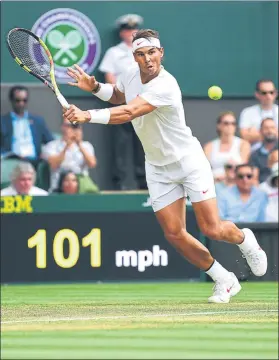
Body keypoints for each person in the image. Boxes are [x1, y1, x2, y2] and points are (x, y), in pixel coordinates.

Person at [64, 29, 267, 303]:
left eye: (152, 52)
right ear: (134, 57)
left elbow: (129, 111)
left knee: (212, 228)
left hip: (188, 161)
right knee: (174, 233)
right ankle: (224, 279)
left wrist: (87, 114)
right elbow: (119, 96)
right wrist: (96, 88)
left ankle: (245, 240)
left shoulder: (166, 85)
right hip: (157, 166)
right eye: (140, 54)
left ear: (161, 53)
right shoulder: (130, 74)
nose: (147, 59)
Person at [98, 14, 146, 190]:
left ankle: (144, 182)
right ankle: (119, 183)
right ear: (121, 33)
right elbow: (109, 75)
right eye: (127, 30)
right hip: (121, 102)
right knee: (120, 144)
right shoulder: (114, 53)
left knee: (142, 142)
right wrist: (121, 96)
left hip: (141, 103)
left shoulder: (144, 52)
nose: (131, 33)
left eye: (134, 30)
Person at [0, 86, 53, 166]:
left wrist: (45, 153)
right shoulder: (3, 121)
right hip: (12, 162)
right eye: (17, 100)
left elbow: (50, 142)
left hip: (34, 162)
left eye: (24, 100)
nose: (21, 103)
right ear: (11, 100)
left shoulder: (37, 121)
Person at [42, 119, 97, 191]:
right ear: (62, 127)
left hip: (81, 187)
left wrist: (79, 144)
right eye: (68, 126)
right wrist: (66, 146)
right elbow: (54, 164)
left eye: (74, 126)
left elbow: (92, 164)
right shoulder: (52, 145)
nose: (71, 129)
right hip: (58, 187)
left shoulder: (86, 145)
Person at [203, 111, 250, 182]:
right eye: (226, 123)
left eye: (233, 123)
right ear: (219, 125)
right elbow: (204, 169)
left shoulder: (243, 144)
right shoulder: (209, 146)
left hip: (235, 184)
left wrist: (226, 177)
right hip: (213, 183)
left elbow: (243, 169)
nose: (230, 126)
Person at [239, 80, 278, 151]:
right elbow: (244, 136)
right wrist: (273, 133)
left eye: (271, 92)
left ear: (275, 93)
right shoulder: (248, 112)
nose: (268, 96)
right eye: (264, 93)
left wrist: (256, 134)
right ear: (257, 94)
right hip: (254, 155)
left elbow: (250, 136)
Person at [249, 118, 278, 184]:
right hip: (264, 189)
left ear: (276, 130)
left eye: (272, 128)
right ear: (260, 131)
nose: (269, 131)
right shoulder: (255, 154)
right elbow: (254, 178)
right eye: (266, 128)